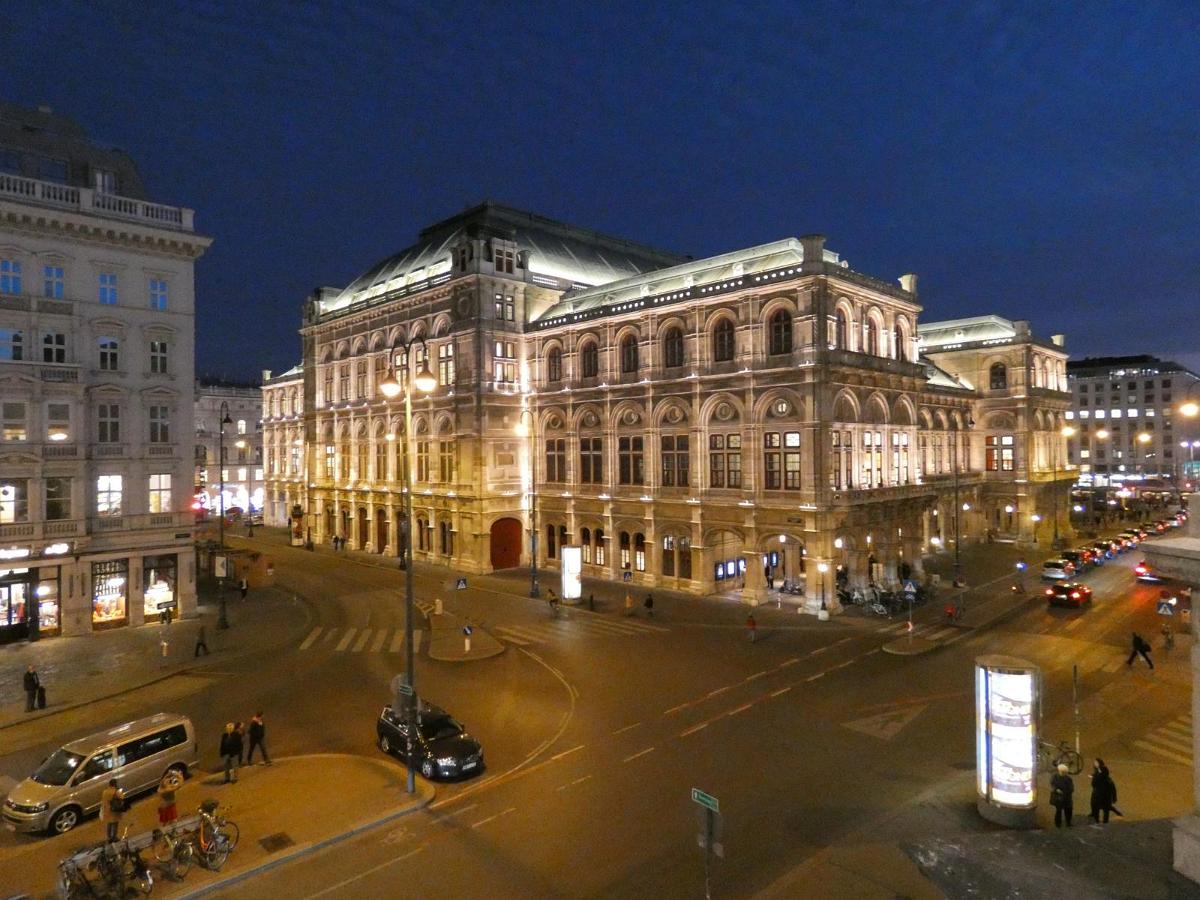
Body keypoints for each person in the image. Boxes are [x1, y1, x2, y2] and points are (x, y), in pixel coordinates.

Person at [1088, 758, 1118, 825]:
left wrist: (1114, 798)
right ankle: (1101, 821)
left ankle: (1101, 821)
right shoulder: (1104, 778)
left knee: (1104, 809)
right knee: (1102, 809)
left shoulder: (1105, 780)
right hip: (1100, 796)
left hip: (1102, 796)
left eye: (1096, 762)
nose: (1095, 764)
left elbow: (1112, 789)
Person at [1050, 763, 1074, 827]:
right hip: (1059, 798)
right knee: (1059, 811)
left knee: (1067, 810)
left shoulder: (1068, 779)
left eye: (1064, 772)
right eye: (1062, 772)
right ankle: (1059, 823)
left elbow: (1071, 788)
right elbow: (1052, 785)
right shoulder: (1055, 777)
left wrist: (1065, 792)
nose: (1063, 773)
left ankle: (1067, 822)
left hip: (1065, 797)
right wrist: (1056, 790)